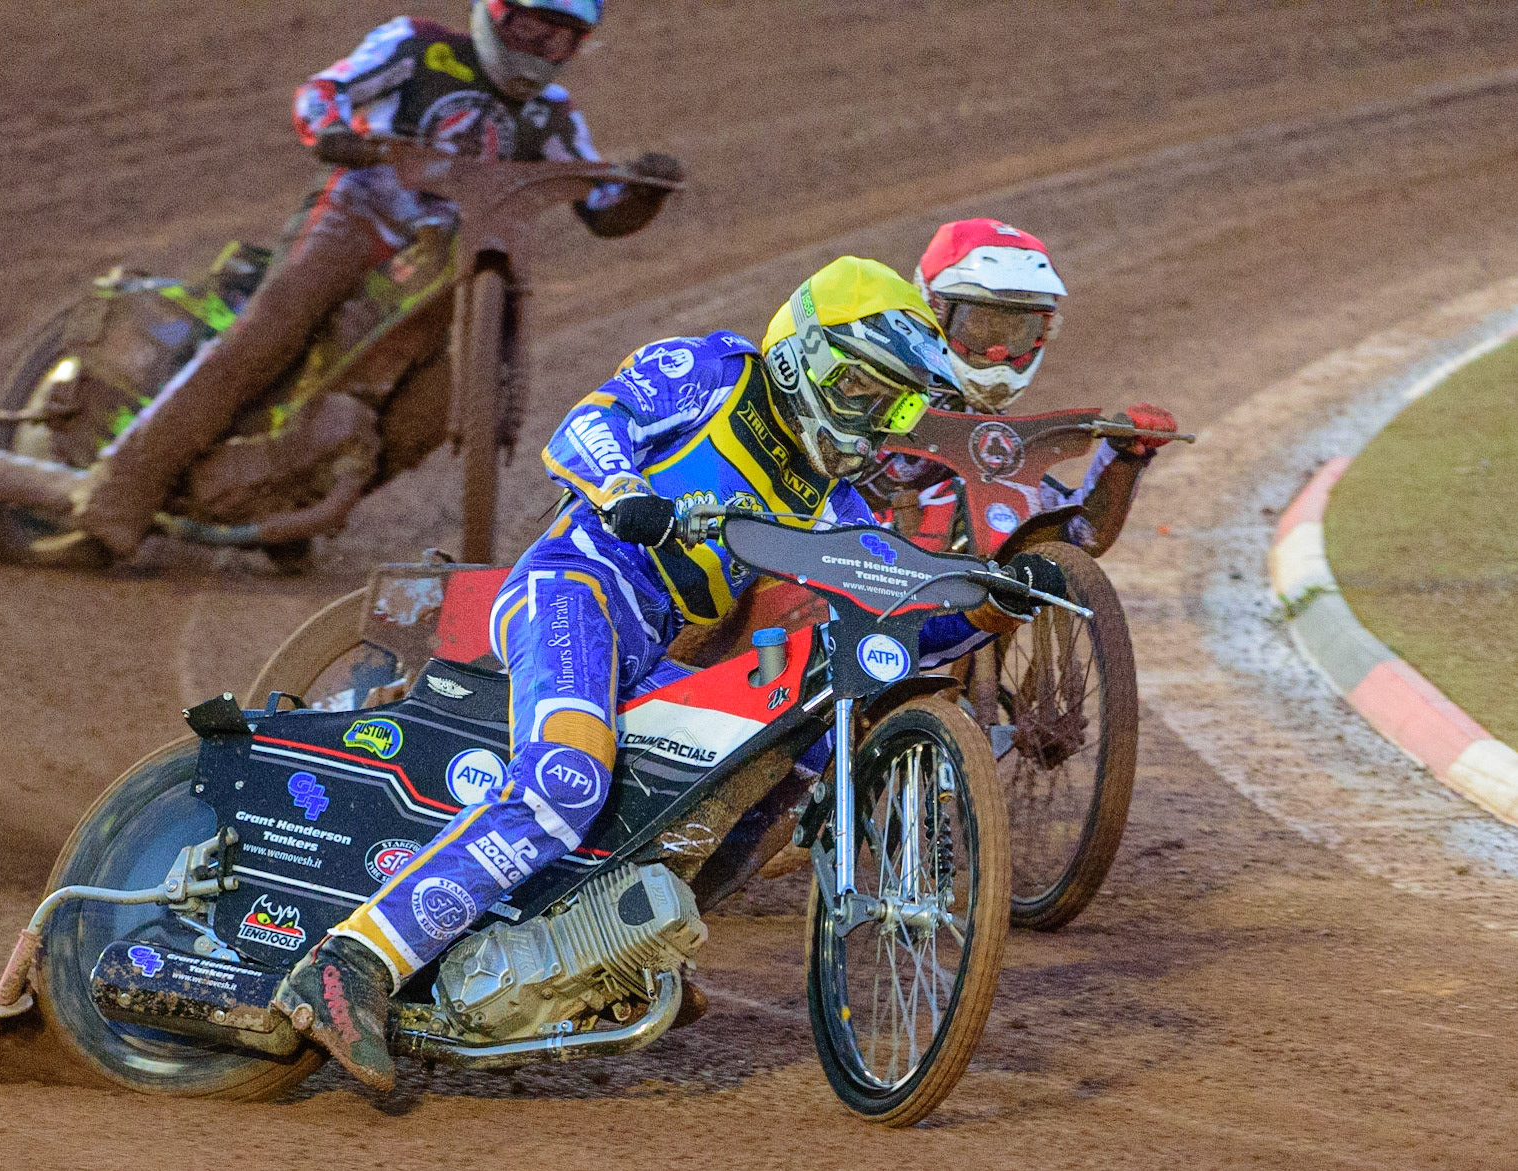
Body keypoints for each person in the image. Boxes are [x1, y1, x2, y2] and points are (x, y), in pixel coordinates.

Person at [270, 255, 1072, 1090]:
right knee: (567, 778)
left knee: (752, 766)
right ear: (803, 357)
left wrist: (991, 605)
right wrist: (623, 489)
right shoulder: (717, 372)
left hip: (646, 649)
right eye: (862, 392)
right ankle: (349, 963)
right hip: (572, 587)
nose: (873, 424)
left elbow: (895, 620)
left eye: (895, 406)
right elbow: (588, 423)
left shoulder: (835, 509)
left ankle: (605, 947)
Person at [64, 1, 681, 560]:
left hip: (453, 260)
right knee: (272, 329)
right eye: (530, 24)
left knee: (441, 401)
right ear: (494, 14)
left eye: (561, 36)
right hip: (361, 215)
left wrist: (645, 191)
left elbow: (602, 207)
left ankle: (291, 498)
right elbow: (323, 91)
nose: (540, 46)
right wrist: (336, 131)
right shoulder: (418, 46)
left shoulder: (552, 116)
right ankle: (119, 491)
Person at [853, 217, 1178, 555]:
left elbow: (1079, 536)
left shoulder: (984, 428)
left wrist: (1124, 456)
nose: (999, 350)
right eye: (980, 327)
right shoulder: (870, 386)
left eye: (1019, 331)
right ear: (935, 310)